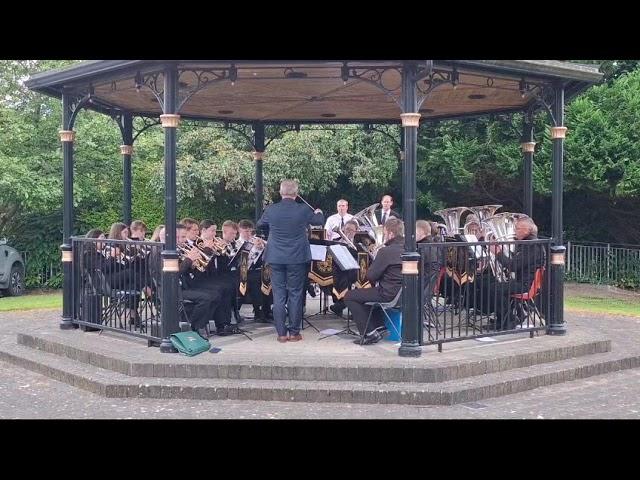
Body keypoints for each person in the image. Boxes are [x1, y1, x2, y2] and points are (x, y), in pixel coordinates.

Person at [257, 179, 324, 343]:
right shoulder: (302, 209)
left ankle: (281, 333)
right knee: (295, 294)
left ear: (281, 192)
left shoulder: (271, 209)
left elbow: (260, 224)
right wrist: (319, 212)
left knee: (278, 295)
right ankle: (294, 333)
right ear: (296, 193)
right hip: (297, 258)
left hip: (275, 257)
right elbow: (319, 222)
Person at [344, 218, 404, 345]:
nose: (385, 236)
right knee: (364, 294)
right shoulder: (409, 248)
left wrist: (376, 257)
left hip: (388, 293)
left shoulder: (386, 251)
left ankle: (369, 334)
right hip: (402, 293)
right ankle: (379, 327)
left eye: (385, 233)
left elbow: (371, 276)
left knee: (350, 296)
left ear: (391, 234)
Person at [484, 217, 546, 330]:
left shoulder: (531, 246)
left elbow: (513, 266)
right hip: (523, 281)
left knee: (494, 289)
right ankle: (504, 319)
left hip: (525, 285)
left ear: (527, 230)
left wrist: (498, 253)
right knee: (493, 285)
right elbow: (517, 262)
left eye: (517, 228)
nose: (515, 231)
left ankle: (509, 321)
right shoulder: (528, 244)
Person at [237, 219, 273, 322]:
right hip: (245, 271)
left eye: (250, 231)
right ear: (240, 230)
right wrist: (255, 250)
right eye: (246, 231)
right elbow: (243, 262)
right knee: (256, 280)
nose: (249, 234)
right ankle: (259, 311)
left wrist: (263, 245)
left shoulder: (255, 239)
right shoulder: (238, 243)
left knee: (270, 277)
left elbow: (271, 246)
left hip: (259, 269)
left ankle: (267, 309)